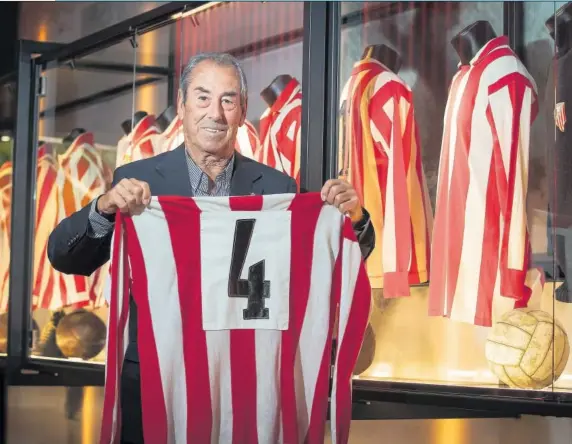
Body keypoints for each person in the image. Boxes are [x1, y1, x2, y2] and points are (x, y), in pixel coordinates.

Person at [47, 52, 375, 444]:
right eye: (202, 98)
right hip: (158, 379)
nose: (215, 113)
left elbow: (330, 258)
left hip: (248, 385)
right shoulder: (137, 180)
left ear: (242, 110)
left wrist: (353, 217)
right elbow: (65, 256)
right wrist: (103, 208)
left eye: (227, 100)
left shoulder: (277, 187)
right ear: (183, 106)